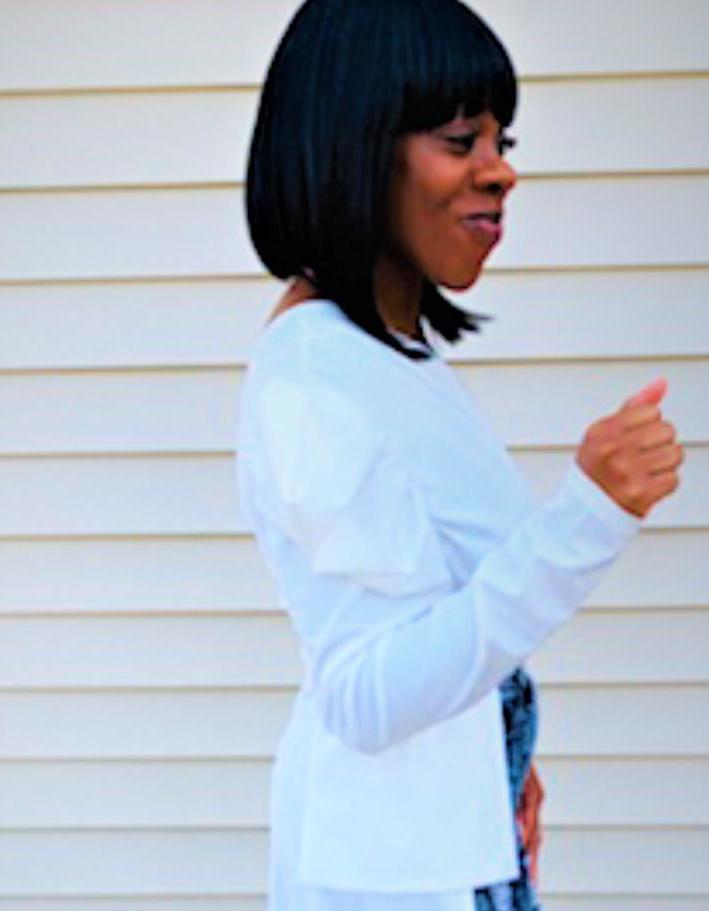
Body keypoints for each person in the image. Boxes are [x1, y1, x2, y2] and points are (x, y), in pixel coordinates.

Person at [236, 1, 685, 909]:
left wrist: (493, 752)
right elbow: (364, 695)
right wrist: (588, 516)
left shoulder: (386, 354)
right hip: (392, 880)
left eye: (500, 140)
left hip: (446, 846)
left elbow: (434, 615)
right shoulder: (317, 379)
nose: (500, 170)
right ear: (356, 146)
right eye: (458, 140)